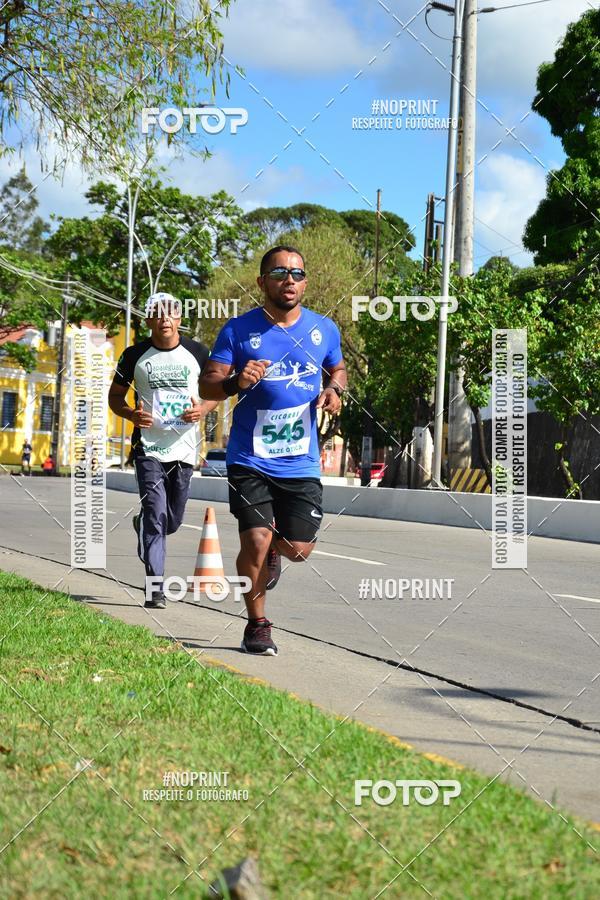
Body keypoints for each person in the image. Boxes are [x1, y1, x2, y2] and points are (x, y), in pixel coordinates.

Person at [200, 246, 347, 656]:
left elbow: (337, 367)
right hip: (249, 458)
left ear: (305, 282)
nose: (290, 280)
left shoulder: (323, 329)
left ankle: (274, 554)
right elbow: (207, 384)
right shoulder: (237, 330)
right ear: (261, 281)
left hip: (300, 460)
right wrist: (234, 383)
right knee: (256, 540)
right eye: (280, 272)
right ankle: (257, 625)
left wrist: (334, 389)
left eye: (298, 273)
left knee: (298, 550)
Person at [108, 292, 218, 609]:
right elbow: (115, 399)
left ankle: (143, 524)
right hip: (149, 448)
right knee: (156, 515)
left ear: (180, 319)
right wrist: (131, 414)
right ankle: (155, 587)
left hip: (184, 449)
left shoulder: (198, 352)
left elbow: (217, 392)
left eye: (170, 313)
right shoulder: (133, 356)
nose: (165, 319)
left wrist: (203, 410)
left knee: (172, 521)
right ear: (148, 320)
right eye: (158, 314)